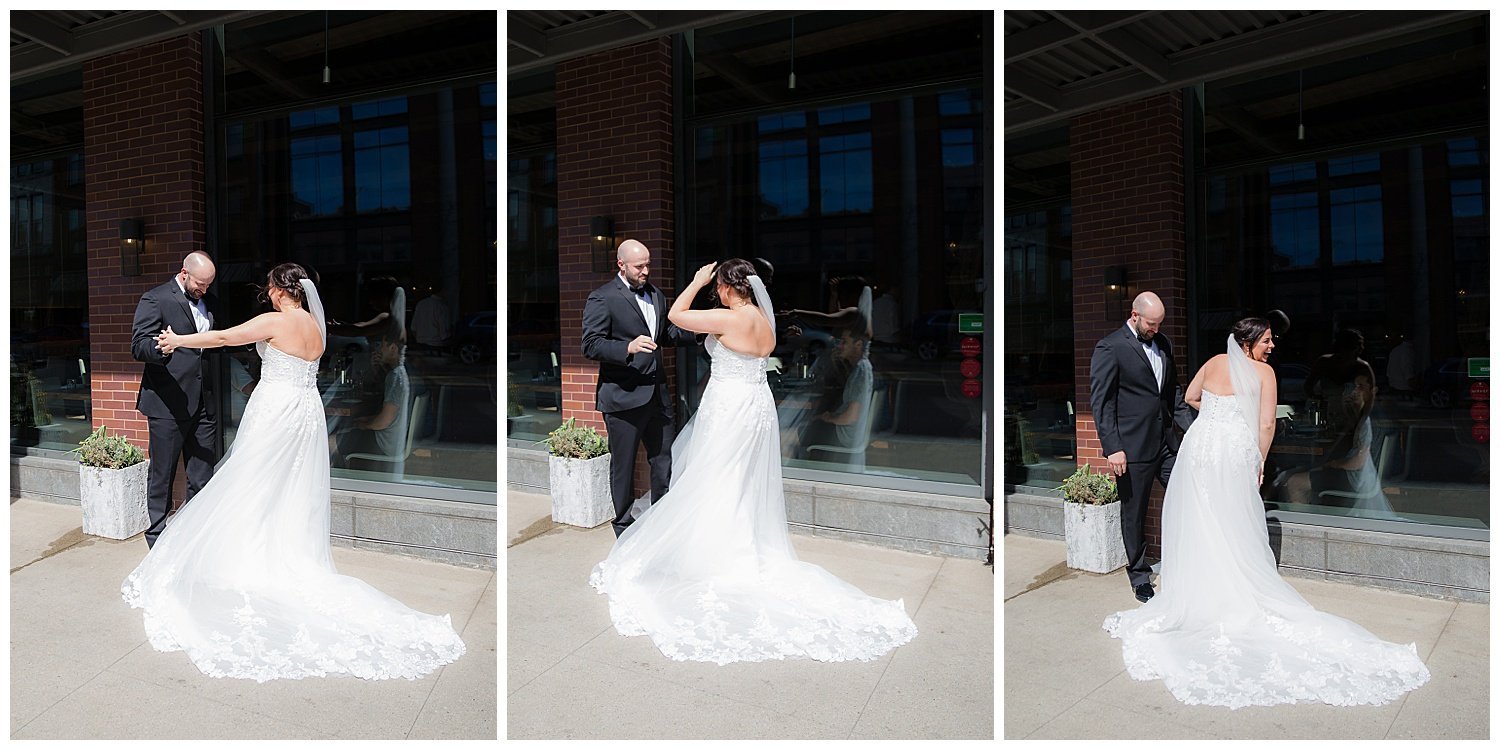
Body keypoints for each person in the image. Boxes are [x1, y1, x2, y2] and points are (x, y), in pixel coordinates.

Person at [122, 263, 464, 681]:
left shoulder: (274, 320)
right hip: (306, 412)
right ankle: (285, 553)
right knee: (291, 489)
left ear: (282, 291)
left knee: (248, 481)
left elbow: (226, 338)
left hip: (275, 411)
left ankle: (240, 560)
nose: (266, 293)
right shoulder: (315, 326)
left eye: (269, 287)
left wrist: (177, 339)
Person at [590, 259, 917, 664]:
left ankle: (715, 557)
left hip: (729, 409)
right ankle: (738, 546)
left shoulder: (730, 318)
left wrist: (694, 282)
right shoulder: (763, 320)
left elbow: (675, 315)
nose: (717, 293)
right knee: (740, 483)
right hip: (756, 407)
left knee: (715, 481)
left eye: (719, 287)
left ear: (729, 286)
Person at [1104, 318, 1429, 708]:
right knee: (1233, 520)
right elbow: (1266, 422)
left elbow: (1190, 397)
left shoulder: (1211, 363)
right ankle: (1230, 591)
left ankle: (1201, 590)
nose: (1272, 345)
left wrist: (1213, 420)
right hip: (1234, 452)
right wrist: (1257, 458)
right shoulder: (1263, 373)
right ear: (1249, 343)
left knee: (1202, 520)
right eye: (1267, 340)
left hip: (1200, 449)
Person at [582, 239, 700, 537]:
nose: (646, 270)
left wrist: (700, 333)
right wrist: (628, 347)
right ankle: (623, 526)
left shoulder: (657, 294)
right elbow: (590, 345)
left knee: (663, 460)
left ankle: (661, 520)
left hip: (657, 395)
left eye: (648, 264)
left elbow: (666, 333)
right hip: (622, 397)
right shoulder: (602, 298)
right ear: (621, 264)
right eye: (640, 266)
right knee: (623, 465)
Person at [1088, 291, 1194, 602]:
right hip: (1131, 449)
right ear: (1134, 315)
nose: (1156, 330)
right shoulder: (1110, 346)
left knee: (1189, 496)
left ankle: (1191, 563)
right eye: (1151, 324)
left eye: (1160, 324)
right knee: (1134, 514)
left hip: (1165, 444)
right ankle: (1139, 576)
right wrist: (1112, 447)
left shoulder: (1163, 344)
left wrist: (1197, 429)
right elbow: (1102, 403)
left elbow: (1172, 393)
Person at [130, 251, 221, 548]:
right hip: (167, 404)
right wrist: (161, 350)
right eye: (199, 283)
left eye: (208, 284)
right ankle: (155, 539)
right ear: (184, 272)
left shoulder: (210, 301)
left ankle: (191, 538)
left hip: (204, 404)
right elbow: (139, 345)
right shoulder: (155, 298)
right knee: (162, 475)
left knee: (202, 476)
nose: (203, 290)